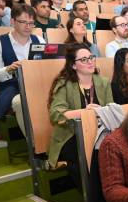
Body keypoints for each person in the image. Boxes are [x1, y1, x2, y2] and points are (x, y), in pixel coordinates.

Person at [47, 44, 113, 177]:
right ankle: (92, 196)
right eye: (83, 60)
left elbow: (111, 111)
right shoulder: (64, 83)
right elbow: (55, 114)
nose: (90, 62)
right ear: (73, 65)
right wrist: (84, 112)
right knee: (85, 153)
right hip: (70, 136)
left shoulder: (103, 82)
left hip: (98, 134)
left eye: (91, 57)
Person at [0, 4, 45, 128]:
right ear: (12, 21)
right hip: (11, 89)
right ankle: (34, 143)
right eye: (23, 22)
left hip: (37, 86)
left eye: (31, 23)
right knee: (21, 101)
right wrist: (8, 69)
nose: (28, 27)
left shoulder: (39, 40)